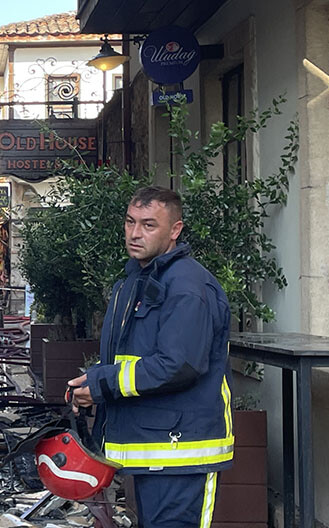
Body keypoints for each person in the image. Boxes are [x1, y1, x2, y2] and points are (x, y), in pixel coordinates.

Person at [66, 186, 233, 528]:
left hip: (181, 451)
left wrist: (103, 384)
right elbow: (133, 358)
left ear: (175, 230)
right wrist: (92, 382)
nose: (135, 233)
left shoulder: (187, 286)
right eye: (130, 222)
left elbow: (178, 365)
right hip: (154, 445)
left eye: (148, 225)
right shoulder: (138, 279)